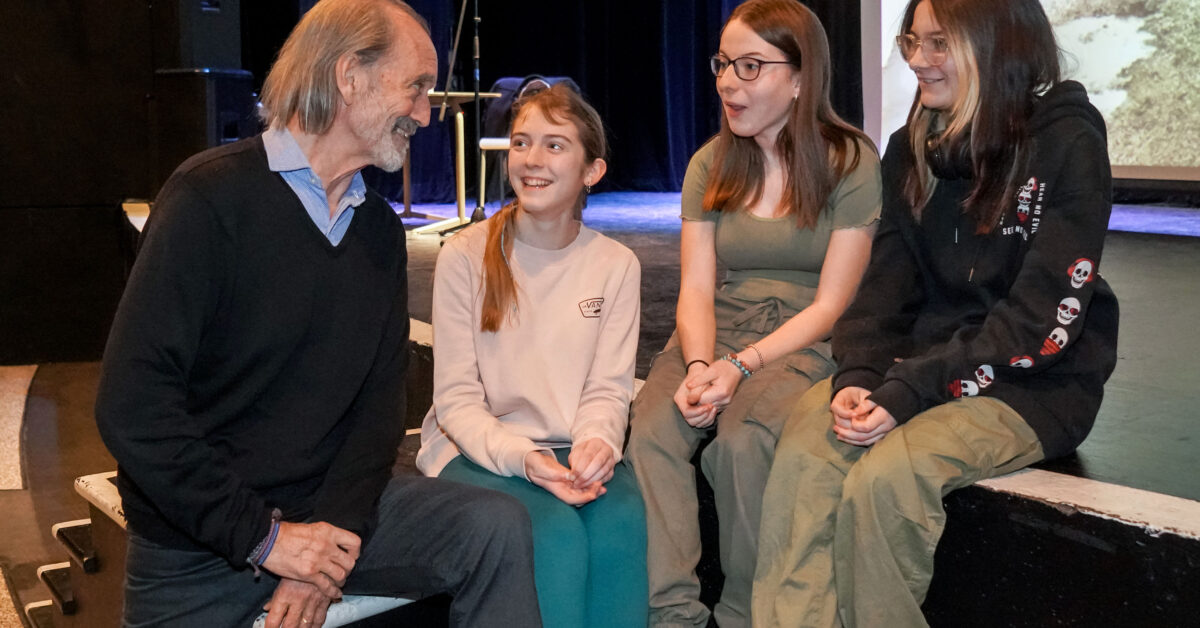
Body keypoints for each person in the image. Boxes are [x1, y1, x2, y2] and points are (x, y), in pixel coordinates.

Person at [94, 2, 541, 627]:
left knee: (491, 526)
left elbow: (377, 414)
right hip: (198, 550)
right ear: (349, 75)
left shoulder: (378, 233)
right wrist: (270, 543)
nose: (424, 113)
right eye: (414, 87)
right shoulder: (209, 198)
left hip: (331, 523)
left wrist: (324, 551)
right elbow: (133, 407)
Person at [751, 0, 1120, 625]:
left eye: (939, 43)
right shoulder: (911, 146)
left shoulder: (1068, 143)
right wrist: (862, 376)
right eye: (912, 42)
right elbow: (883, 293)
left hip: (1033, 384)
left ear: (996, 44)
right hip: (921, 364)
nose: (919, 60)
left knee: (886, 482)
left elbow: (1038, 323)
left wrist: (908, 388)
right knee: (809, 453)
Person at [623, 1, 882, 626]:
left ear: (799, 78)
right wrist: (700, 362)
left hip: (803, 339)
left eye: (749, 66)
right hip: (715, 329)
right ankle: (674, 615)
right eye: (722, 65)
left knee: (741, 443)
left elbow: (833, 303)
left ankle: (743, 614)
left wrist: (741, 367)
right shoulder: (710, 163)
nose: (726, 82)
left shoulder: (851, 162)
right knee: (652, 433)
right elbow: (695, 287)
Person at [416, 83, 647, 628]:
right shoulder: (464, 256)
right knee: (552, 535)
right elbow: (456, 402)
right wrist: (526, 460)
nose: (532, 160)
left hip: (569, 448)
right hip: (477, 452)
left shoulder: (616, 265)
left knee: (621, 525)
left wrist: (596, 443)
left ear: (593, 171)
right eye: (521, 143)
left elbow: (608, 390)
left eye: (554, 145)